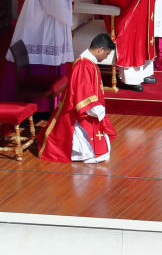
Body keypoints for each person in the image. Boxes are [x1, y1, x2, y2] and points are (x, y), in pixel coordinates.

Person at [39, 33, 117, 164]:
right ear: (100, 50)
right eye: (107, 54)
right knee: (95, 154)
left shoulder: (88, 63)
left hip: (85, 109)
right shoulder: (83, 65)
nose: (105, 57)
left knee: (103, 147)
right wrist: (97, 111)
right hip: (77, 114)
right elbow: (83, 94)